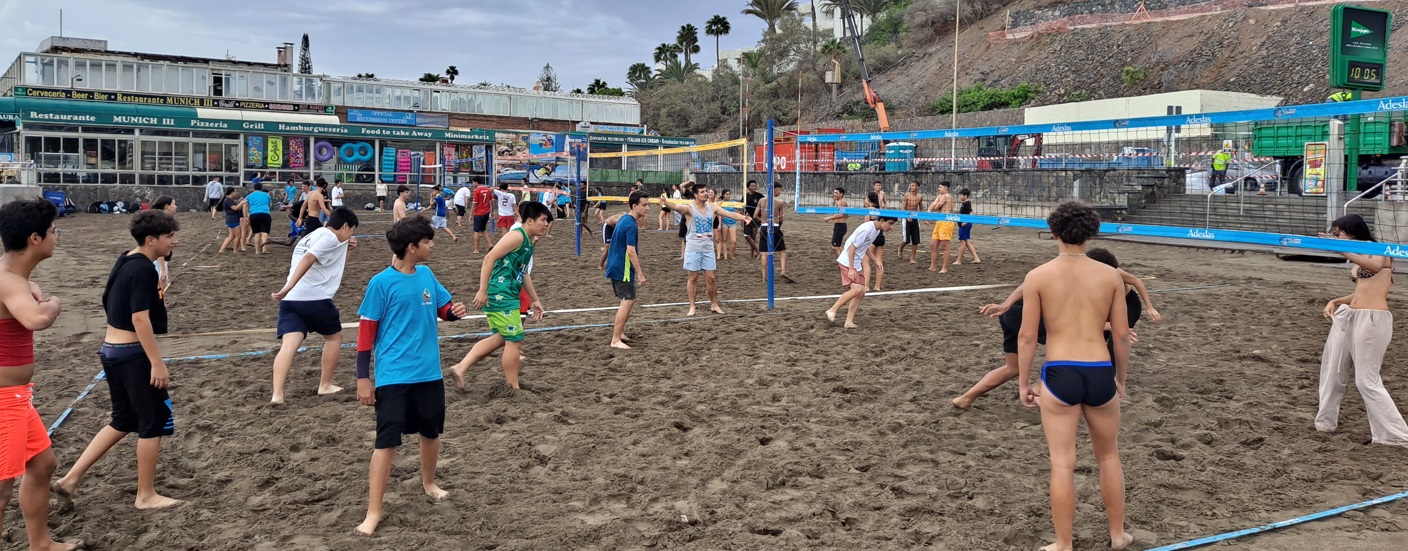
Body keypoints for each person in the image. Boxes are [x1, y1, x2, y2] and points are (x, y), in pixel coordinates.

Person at [1015, 202, 1134, 551]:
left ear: (1053, 233)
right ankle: (1117, 535)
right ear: (1090, 234)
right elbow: (1123, 335)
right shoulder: (1110, 275)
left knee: (1062, 464)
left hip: (1060, 370)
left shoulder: (1038, 276)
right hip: (1099, 369)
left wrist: (1024, 381)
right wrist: (1121, 378)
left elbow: (1026, 336)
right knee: (1109, 457)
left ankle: (1063, 543)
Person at [54, 210, 184, 511]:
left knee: (123, 419)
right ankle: (146, 495)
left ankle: (70, 479)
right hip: (131, 354)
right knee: (154, 421)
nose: (174, 242)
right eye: (170, 237)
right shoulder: (142, 270)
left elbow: (108, 300)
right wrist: (157, 362)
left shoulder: (125, 258)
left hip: (111, 350)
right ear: (151, 240)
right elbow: (140, 319)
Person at [352, 216, 468, 535]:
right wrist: (364, 379)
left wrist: (454, 313)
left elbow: (443, 309)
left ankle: (428, 483)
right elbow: (365, 336)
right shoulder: (380, 283)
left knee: (431, 433)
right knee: (386, 442)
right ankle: (374, 511)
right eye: (428, 241)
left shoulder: (427, 274)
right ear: (412, 247)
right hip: (393, 377)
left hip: (429, 373)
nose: (432, 245)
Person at [954, 248, 1159, 410]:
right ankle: (1041, 392)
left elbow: (1032, 282)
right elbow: (1074, 321)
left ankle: (966, 398)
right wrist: (1112, 326)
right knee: (1066, 350)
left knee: (1013, 368)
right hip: (1023, 316)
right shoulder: (1082, 276)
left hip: (1010, 315)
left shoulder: (1090, 273)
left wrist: (1005, 305)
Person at [0, 199, 84, 551]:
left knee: (43, 464)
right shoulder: (10, 282)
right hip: (5, 399)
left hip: (18, 395)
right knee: (1, 486)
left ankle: (41, 544)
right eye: (53, 231)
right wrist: (53, 301)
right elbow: (36, 320)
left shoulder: (13, 279)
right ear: (35, 238)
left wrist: (33, 294)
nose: (56, 237)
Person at [1316, 214, 1408, 446]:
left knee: (1366, 380)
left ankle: (1396, 435)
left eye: (1338, 232)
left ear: (1351, 231)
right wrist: (1336, 301)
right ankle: (1325, 424)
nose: (1335, 236)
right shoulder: (1356, 253)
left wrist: (1339, 249)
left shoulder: (1379, 250)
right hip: (1351, 315)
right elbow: (1361, 291)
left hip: (1373, 319)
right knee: (1333, 372)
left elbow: (1375, 267)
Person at [450, 201, 552, 391]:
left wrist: (535, 299)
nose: (546, 224)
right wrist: (482, 290)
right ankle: (513, 387)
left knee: (500, 339)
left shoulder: (528, 241)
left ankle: (460, 368)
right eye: (544, 220)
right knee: (515, 340)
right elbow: (489, 257)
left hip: (508, 293)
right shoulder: (516, 236)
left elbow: (524, 273)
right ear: (530, 221)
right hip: (500, 294)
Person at [269, 207, 359, 404]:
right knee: (334, 338)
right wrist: (288, 286)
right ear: (345, 226)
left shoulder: (313, 235)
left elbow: (333, 265)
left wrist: (348, 249)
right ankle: (325, 384)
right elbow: (309, 259)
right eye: (351, 230)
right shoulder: (329, 238)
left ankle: (277, 394)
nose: (351, 236)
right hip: (314, 299)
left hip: (291, 301)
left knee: (288, 346)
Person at [661, 184, 750, 317]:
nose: (705, 194)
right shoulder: (690, 208)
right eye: (702, 192)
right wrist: (666, 202)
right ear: (696, 195)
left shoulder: (712, 207)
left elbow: (729, 213)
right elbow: (677, 207)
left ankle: (714, 304)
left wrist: (743, 218)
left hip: (708, 249)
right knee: (693, 278)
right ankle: (692, 306)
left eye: (706, 191)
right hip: (693, 249)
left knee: (711, 278)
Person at [826, 216, 895, 329]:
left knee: (861, 292)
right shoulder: (866, 229)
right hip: (847, 262)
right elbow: (852, 248)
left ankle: (848, 322)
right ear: (882, 221)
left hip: (856, 263)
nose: (891, 227)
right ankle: (832, 310)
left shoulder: (876, 230)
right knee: (857, 289)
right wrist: (851, 268)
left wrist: (876, 260)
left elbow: (865, 247)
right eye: (890, 223)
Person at [603, 192, 649, 349]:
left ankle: (620, 333)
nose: (647, 208)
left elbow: (609, 222)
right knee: (627, 300)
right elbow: (631, 251)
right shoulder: (630, 224)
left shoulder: (624, 218)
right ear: (634, 206)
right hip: (623, 267)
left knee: (629, 299)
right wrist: (640, 273)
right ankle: (615, 340)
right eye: (644, 205)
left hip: (615, 264)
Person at [758, 183, 790, 282]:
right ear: (775, 190)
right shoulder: (779, 202)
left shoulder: (761, 200)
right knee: (782, 251)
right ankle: (783, 270)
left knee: (764, 253)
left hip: (763, 227)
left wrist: (763, 222)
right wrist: (778, 227)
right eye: (779, 190)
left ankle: (764, 278)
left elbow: (755, 215)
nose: (780, 192)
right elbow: (781, 219)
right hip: (774, 226)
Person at [927, 181, 956, 273]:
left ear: (945, 188)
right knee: (933, 245)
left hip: (947, 221)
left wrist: (932, 207)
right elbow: (931, 207)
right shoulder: (940, 196)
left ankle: (944, 268)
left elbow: (934, 207)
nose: (938, 189)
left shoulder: (947, 196)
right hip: (939, 221)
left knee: (944, 246)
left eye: (940, 187)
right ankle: (933, 266)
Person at [150, 196, 177, 294]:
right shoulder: (162, 222)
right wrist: (163, 269)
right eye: (173, 204)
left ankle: (161, 304)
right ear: (167, 206)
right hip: (158, 261)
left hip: (158, 260)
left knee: (160, 287)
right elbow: (160, 246)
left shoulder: (161, 219)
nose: (176, 206)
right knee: (160, 286)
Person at [863, 190, 887, 291]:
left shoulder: (869, 210)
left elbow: (866, 225)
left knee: (866, 262)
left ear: (868, 200)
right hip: (881, 237)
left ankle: (866, 286)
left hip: (872, 238)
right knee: (879, 262)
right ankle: (877, 287)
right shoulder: (880, 210)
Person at [953, 188, 981, 265]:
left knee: (962, 242)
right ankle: (976, 258)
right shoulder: (965, 203)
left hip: (965, 225)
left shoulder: (967, 203)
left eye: (961, 195)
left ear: (965, 195)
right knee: (967, 241)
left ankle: (958, 261)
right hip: (965, 224)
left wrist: (966, 221)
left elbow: (972, 213)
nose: (959, 196)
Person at [899, 181, 923, 264]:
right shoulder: (907, 195)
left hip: (915, 218)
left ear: (917, 187)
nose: (911, 187)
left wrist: (926, 218)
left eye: (913, 186)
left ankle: (912, 258)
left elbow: (921, 208)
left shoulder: (920, 196)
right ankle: (900, 249)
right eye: (910, 185)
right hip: (906, 218)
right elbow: (903, 208)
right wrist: (907, 216)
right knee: (906, 240)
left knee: (915, 240)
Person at [217, 187, 246, 254]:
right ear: (232, 192)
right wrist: (242, 203)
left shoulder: (228, 200)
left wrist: (239, 202)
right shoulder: (228, 200)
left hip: (231, 219)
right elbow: (235, 208)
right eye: (235, 192)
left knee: (231, 236)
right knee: (238, 235)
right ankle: (235, 250)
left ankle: (222, 249)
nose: (236, 193)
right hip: (232, 219)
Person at [247, 183, 273, 254]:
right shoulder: (266, 195)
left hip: (254, 214)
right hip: (265, 213)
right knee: (264, 233)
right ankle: (264, 249)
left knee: (257, 233)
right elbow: (270, 205)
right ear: (261, 188)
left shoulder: (249, 195)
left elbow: (246, 205)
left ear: (253, 188)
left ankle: (257, 250)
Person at [823, 187, 849, 257]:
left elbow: (841, 214)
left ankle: (842, 263)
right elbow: (846, 215)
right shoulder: (840, 202)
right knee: (838, 246)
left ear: (841, 194)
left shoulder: (841, 202)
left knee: (835, 247)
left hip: (840, 226)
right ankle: (847, 260)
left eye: (836, 193)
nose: (834, 194)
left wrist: (829, 218)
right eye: (834, 193)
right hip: (840, 226)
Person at [470, 179, 495, 252]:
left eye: (473, 182)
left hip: (479, 213)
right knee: (483, 229)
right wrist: (492, 211)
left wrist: (471, 214)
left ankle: (476, 249)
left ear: (476, 182)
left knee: (476, 231)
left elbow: (474, 204)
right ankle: (490, 244)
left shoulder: (476, 191)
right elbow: (493, 202)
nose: (473, 184)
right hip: (486, 213)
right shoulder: (487, 190)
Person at [717, 189, 741, 260]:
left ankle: (731, 255)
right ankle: (725, 256)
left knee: (734, 241)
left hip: (732, 223)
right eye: (726, 194)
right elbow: (718, 213)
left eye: (729, 194)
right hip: (724, 222)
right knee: (724, 240)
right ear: (723, 195)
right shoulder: (721, 203)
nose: (728, 196)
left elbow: (741, 208)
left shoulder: (733, 202)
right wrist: (719, 223)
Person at [743, 180, 764, 257]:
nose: (754, 187)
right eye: (753, 186)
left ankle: (751, 255)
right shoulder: (745, 197)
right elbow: (742, 208)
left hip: (756, 219)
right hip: (747, 219)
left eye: (755, 185)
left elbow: (765, 203)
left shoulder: (759, 196)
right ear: (748, 187)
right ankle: (758, 251)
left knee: (753, 237)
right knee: (746, 235)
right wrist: (742, 219)